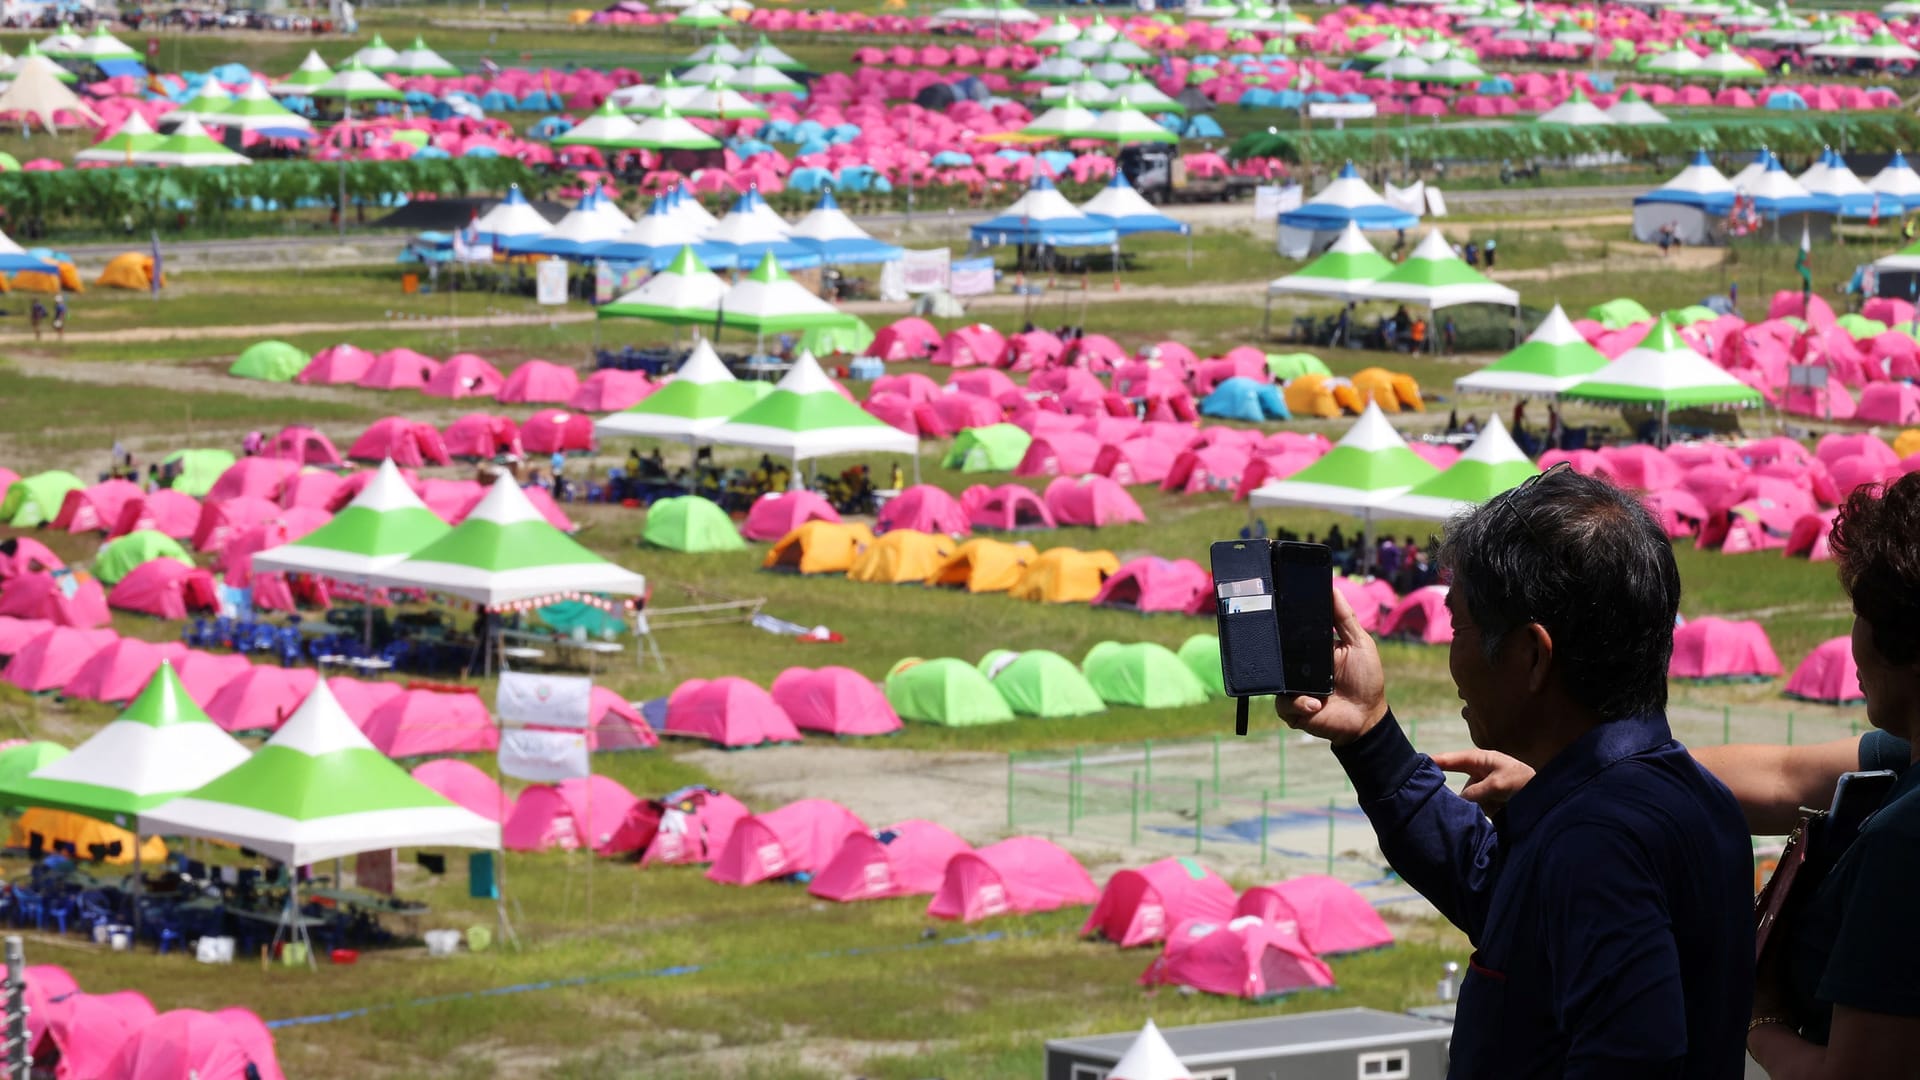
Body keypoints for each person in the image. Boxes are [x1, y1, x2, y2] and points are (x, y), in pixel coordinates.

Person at [1274, 467, 1753, 1079]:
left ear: (1530, 655)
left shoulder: (1596, 844)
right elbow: (1495, 890)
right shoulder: (1684, 800)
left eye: (1457, 625)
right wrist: (1370, 734)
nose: (1453, 656)